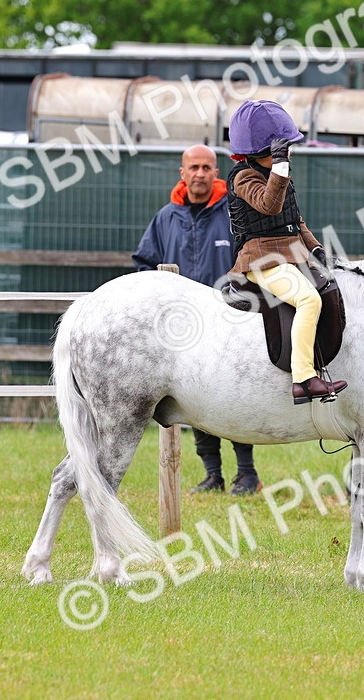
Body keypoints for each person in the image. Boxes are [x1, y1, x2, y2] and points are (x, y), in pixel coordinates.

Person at [133, 144, 261, 496]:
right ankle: (212, 474)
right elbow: (145, 264)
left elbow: (251, 259)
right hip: (183, 330)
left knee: (235, 397)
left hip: (230, 322)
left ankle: (247, 474)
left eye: (207, 167)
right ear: (183, 172)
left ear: (216, 173)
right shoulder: (165, 218)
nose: (200, 173)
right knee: (194, 400)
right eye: (194, 167)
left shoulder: (233, 213)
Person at [226, 99, 345, 404]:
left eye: (286, 149)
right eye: (280, 150)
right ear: (258, 153)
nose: (287, 154)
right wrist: (280, 167)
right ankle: (303, 378)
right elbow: (269, 205)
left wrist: (315, 246)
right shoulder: (244, 177)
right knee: (307, 299)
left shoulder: (279, 174)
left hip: (292, 253)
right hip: (261, 258)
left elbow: (293, 218)